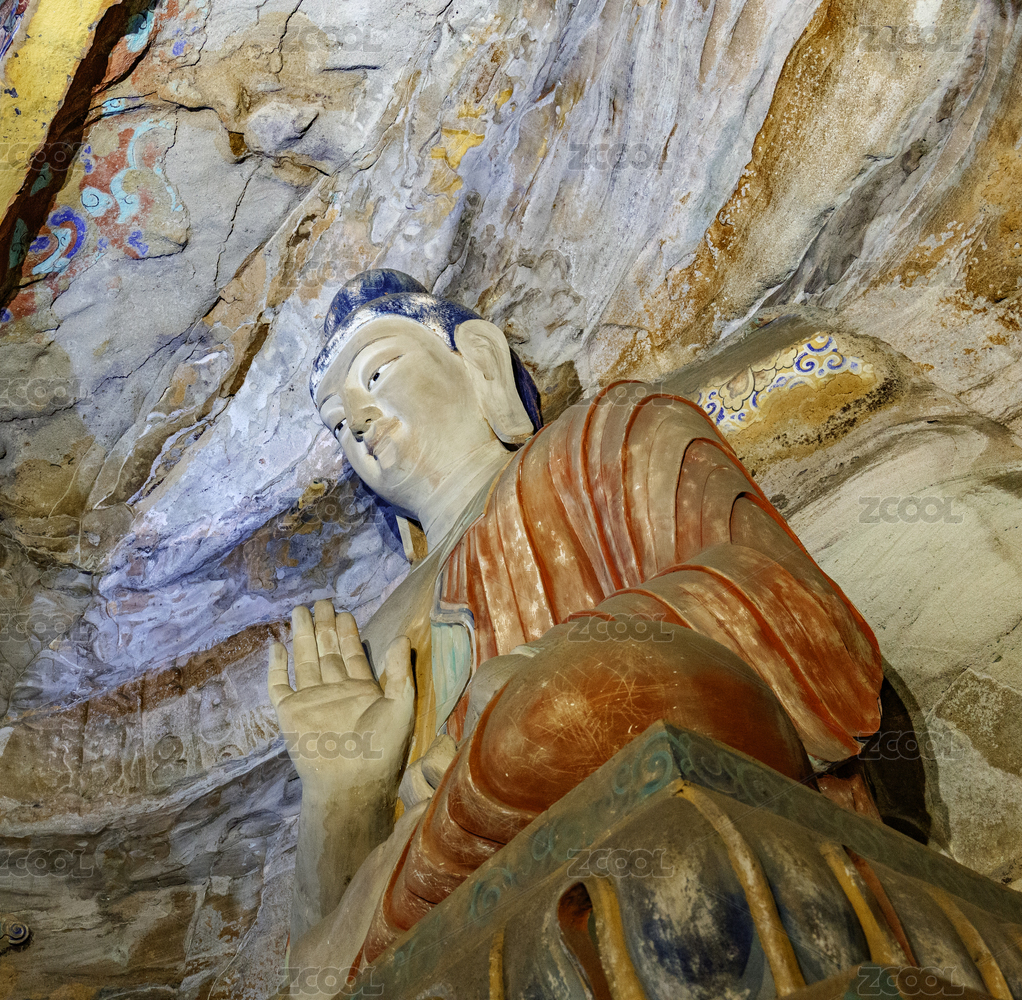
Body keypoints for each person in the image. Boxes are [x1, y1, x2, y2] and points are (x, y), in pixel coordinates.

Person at [268, 270, 882, 985]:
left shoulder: (603, 438)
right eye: (337, 422)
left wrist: (543, 665)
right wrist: (341, 797)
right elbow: (317, 962)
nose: (358, 420)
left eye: (378, 373)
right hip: (449, 889)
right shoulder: (371, 643)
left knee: (560, 710)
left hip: (614, 782)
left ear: (480, 361)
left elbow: (789, 601)